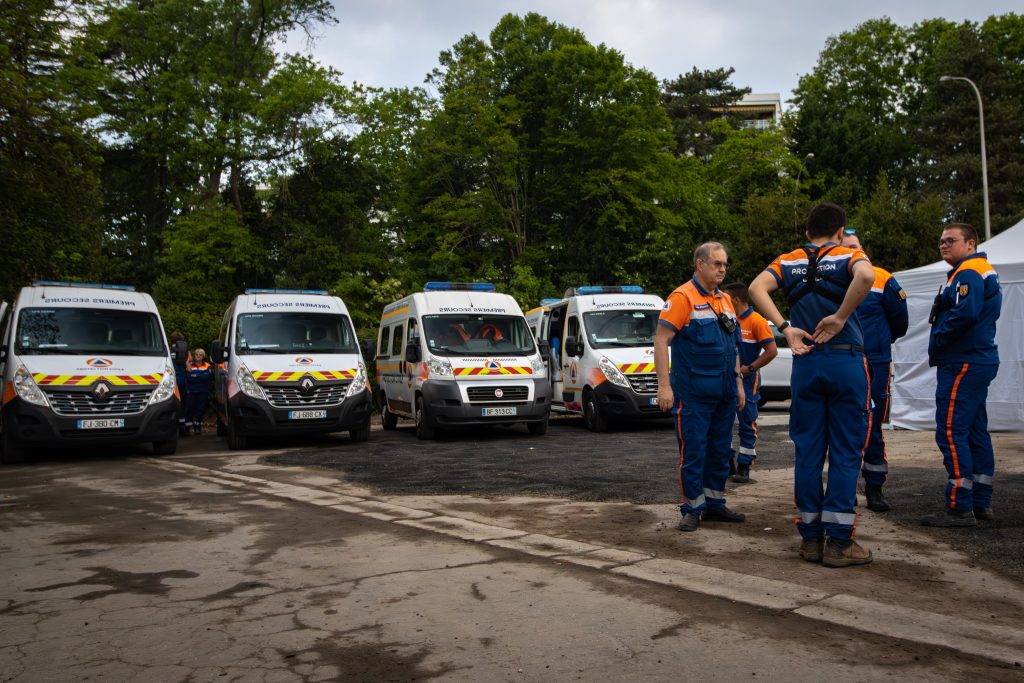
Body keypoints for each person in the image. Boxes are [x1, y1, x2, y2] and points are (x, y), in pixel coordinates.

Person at [748, 203, 875, 568]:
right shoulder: (847, 253)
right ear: (840, 230)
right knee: (846, 451)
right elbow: (865, 278)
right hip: (845, 360)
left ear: (807, 233)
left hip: (805, 362)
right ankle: (839, 543)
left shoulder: (788, 260)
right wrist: (840, 317)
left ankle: (810, 539)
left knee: (808, 451)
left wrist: (785, 327)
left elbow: (757, 287)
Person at [655, 242, 746, 532]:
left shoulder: (725, 300)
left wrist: (739, 384)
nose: (723, 269)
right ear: (700, 265)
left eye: (725, 264)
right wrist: (664, 387)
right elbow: (660, 341)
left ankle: (715, 504)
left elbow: (733, 346)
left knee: (720, 451)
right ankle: (692, 508)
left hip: (725, 391)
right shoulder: (682, 297)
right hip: (694, 393)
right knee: (694, 451)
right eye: (717, 264)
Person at [921, 223, 1001, 527]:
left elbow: (964, 313)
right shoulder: (976, 270)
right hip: (976, 359)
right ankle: (981, 502)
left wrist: (940, 336)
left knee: (952, 431)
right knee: (974, 430)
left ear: (970, 243)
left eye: (950, 241)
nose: (943, 245)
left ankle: (960, 506)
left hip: (963, 361)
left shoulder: (968, 272)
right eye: (941, 241)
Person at [840, 230, 909, 511]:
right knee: (843, 425)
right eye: (845, 248)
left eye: (855, 247)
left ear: (863, 249)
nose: (852, 253)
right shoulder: (835, 278)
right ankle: (844, 489)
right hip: (844, 360)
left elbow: (900, 322)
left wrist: (880, 343)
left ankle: (874, 487)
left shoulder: (881, 277)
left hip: (874, 361)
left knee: (873, 425)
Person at [722, 283, 778, 483]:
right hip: (726, 378)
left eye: (726, 297)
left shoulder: (757, 321)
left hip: (747, 379)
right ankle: (727, 463)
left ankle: (744, 465)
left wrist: (750, 368)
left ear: (736, 300)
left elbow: (772, 351)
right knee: (723, 421)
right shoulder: (726, 319)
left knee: (747, 421)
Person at [186, 348, 213, 435]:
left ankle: (198, 427)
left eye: (200, 354)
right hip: (192, 391)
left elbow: (207, 377)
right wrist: (200, 376)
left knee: (200, 410)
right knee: (189, 409)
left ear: (203, 356)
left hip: (203, 391)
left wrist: (195, 376)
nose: (198, 356)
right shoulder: (189, 364)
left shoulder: (207, 365)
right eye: (197, 354)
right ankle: (187, 429)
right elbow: (188, 377)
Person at [170, 331, 190, 437]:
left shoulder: (167, 351)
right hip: (181, 380)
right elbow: (189, 368)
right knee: (183, 404)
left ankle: (173, 428)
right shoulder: (184, 352)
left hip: (170, 381)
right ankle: (182, 428)